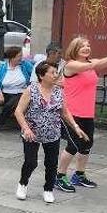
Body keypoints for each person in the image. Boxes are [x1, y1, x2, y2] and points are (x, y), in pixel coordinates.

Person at [55, 37, 107, 191]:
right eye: (83, 46)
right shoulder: (71, 65)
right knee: (74, 144)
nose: (87, 48)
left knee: (87, 144)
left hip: (87, 113)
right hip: (72, 113)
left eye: (88, 45)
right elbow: (98, 63)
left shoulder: (89, 65)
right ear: (74, 49)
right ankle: (60, 177)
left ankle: (79, 175)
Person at [14, 61, 89, 204]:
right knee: (31, 162)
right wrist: (26, 128)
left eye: (56, 72)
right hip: (32, 133)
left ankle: (48, 189)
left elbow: (65, 112)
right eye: (52, 73)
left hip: (52, 133)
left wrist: (76, 127)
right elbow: (18, 111)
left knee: (51, 163)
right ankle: (23, 184)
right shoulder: (32, 90)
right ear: (42, 76)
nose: (56, 75)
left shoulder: (59, 92)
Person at [0, 46, 33, 132]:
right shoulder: (2, 67)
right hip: (5, 92)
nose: (21, 58)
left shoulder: (25, 65)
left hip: (20, 93)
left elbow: (34, 75)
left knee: (9, 105)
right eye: (19, 56)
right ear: (12, 57)